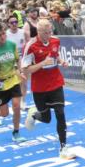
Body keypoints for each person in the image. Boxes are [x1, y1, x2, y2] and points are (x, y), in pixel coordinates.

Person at [22, 18, 75, 159]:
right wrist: (42, 63)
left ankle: (63, 147)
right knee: (46, 118)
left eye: (50, 31)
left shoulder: (55, 40)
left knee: (60, 113)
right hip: (39, 87)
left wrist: (61, 61)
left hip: (56, 82)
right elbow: (26, 70)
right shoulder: (31, 46)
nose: (48, 34)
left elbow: (55, 54)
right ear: (38, 31)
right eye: (45, 32)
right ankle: (34, 114)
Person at [0, 22, 26, 141]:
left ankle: (16, 132)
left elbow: (18, 60)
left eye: (4, 34)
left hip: (13, 80)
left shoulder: (11, 45)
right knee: (4, 114)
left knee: (16, 106)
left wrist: (21, 71)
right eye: (0, 35)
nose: (3, 37)